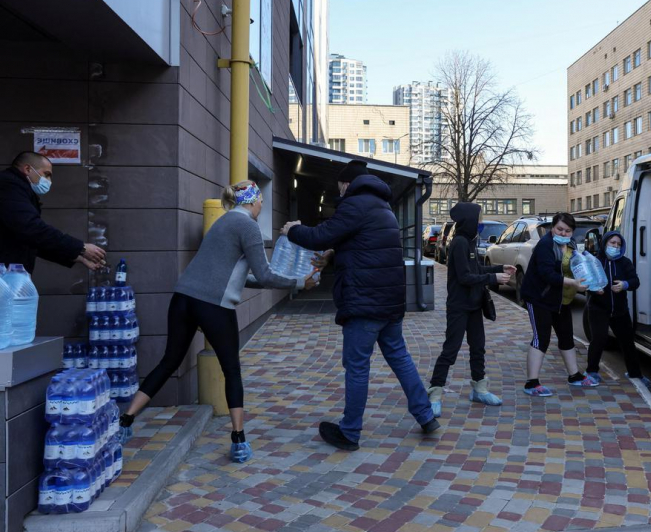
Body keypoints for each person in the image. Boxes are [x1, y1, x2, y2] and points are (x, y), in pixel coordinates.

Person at [119, 181, 316, 463]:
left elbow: (240, 275)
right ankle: (238, 440)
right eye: (261, 201)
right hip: (214, 305)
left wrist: (278, 282)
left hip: (183, 298)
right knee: (231, 369)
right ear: (253, 201)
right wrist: (299, 281)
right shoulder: (248, 226)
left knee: (169, 360)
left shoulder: (223, 222)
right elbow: (266, 274)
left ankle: (126, 420)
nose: (262, 207)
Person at [282, 160, 438, 451]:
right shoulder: (381, 206)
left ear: (346, 183)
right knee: (400, 357)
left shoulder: (354, 204)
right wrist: (332, 255)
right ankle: (426, 415)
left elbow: (321, 235)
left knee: (356, 366)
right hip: (390, 300)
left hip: (364, 302)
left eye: (339, 186)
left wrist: (294, 229)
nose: (338, 191)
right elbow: (360, 243)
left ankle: (350, 432)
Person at [427, 202, 515, 416]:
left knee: (478, 348)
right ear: (469, 221)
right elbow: (465, 277)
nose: (481, 222)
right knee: (450, 350)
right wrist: (494, 278)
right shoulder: (459, 243)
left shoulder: (470, 241)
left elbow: (475, 268)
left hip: (474, 305)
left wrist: (499, 268)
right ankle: (434, 394)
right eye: (479, 219)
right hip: (459, 306)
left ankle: (479, 389)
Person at [519, 212, 595, 397]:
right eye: (560, 229)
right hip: (539, 298)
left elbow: (578, 267)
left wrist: (592, 282)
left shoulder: (570, 245)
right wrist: (574, 284)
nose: (563, 233)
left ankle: (574, 375)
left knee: (566, 336)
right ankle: (532, 383)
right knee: (541, 338)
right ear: (552, 228)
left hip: (561, 300)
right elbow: (547, 275)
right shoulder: (545, 245)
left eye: (568, 230)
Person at [0, 152, 106, 272]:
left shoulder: (18, 188)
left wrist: (77, 256)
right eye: (46, 174)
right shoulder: (8, 186)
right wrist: (80, 248)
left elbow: (32, 240)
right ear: (28, 169)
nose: (49, 181)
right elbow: (31, 228)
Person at [585, 231, 648, 387]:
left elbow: (635, 281)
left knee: (627, 342)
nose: (615, 246)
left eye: (619, 244)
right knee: (598, 340)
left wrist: (625, 284)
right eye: (612, 243)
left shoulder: (625, 262)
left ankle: (635, 374)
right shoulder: (595, 261)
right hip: (598, 308)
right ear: (605, 243)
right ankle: (591, 372)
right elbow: (586, 281)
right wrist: (595, 290)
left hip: (620, 310)